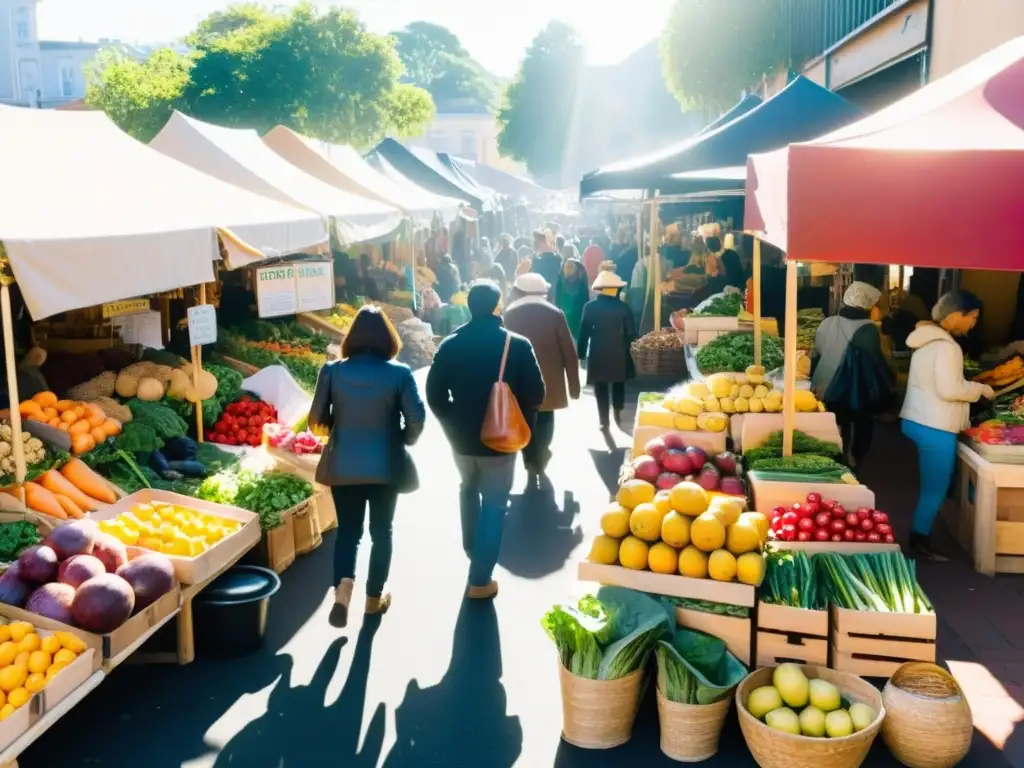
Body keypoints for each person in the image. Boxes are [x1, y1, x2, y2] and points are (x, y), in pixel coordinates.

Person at [426, 281, 545, 598]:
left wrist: (454, 423)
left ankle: (471, 546)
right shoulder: (517, 345)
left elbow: (434, 396)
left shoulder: (450, 345)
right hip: (500, 440)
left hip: (461, 441)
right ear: (497, 306)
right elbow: (537, 393)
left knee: (467, 487)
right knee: (495, 503)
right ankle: (480, 579)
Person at [309, 306, 426, 627]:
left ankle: (343, 591)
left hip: (343, 465)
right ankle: (374, 599)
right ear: (387, 337)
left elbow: (315, 421)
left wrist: (339, 427)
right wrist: (402, 438)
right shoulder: (400, 373)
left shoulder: (331, 371)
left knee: (348, 533)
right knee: (382, 532)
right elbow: (417, 417)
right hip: (386, 465)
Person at [901, 290, 994, 561]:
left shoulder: (926, 342)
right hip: (935, 425)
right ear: (956, 316)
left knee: (935, 484)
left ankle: (925, 534)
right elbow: (950, 389)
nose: (974, 323)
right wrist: (981, 389)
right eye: (972, 317)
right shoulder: (948, 347)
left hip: (917, 418)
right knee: (936, 488)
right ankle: (919, 541)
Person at [504, 273, 580, 478]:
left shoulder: (509, 314)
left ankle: (530, 458)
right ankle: (542, 451)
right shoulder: (555, 314)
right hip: (550, 381)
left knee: (524, 419)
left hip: (518, 379)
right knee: (546, 418)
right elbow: (569, 352)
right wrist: (574, 385)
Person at [812, 282, 894, 469]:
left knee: (833, 427)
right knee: (861, 428)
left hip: (823, 385)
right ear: (869, 306)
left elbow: (817, 351)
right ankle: (854, 461)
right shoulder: (868, 330)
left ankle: (834, 459)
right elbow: (876, 363)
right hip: (853, 391)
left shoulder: (827, 322)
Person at [578, 270, 635, 429]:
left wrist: (581, 352)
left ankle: (604, 419)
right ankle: (617, 411)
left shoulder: (590, 307)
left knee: (600, 386)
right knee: (618, 384)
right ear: (617, 289)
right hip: (619, 350)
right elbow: (631, 333)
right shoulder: (623, 307)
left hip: (598, 350)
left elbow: (584, 331)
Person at [555, 259, 590, 339]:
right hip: (575, 315)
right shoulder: (581, 276)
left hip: (569, 314)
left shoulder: (561, 278)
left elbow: (558, 299)